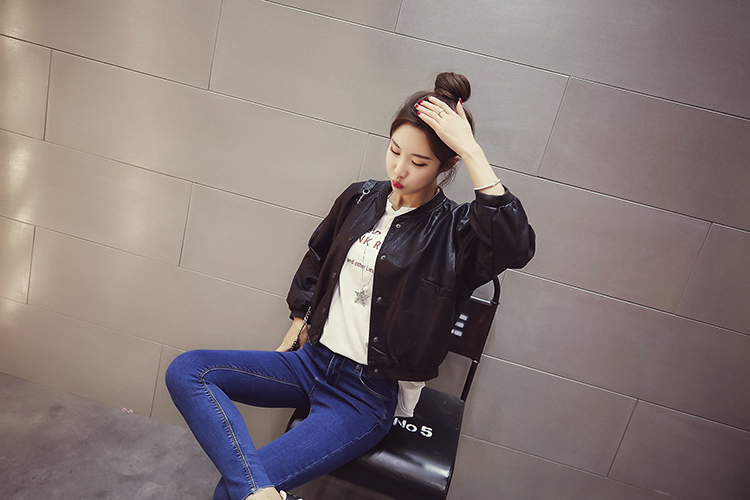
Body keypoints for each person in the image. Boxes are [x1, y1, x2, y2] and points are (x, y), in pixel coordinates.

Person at [166, 72, 535, 500]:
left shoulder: (457, 231)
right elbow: (319, 256)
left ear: (447, 164)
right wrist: (298, 322)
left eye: (419, 163)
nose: (399, 169)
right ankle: (259, 492)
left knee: (231, 493)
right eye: (394, 150)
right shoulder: (360, 197)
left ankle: (253, 490)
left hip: (363, 395)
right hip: (310, 362)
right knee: (187, 371)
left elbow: (515, 248)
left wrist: (471, 149)